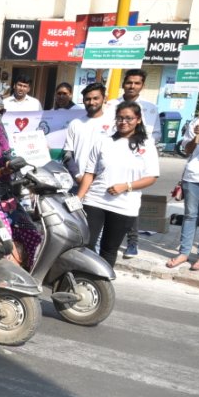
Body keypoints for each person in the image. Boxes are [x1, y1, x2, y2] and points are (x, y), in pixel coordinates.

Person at [76, 102, 159, 268]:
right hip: (95, 200)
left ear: (138, 120)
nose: (123, 122)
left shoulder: (147, 145)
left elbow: (151, 177)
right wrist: (78, 198)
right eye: (120, 118)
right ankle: (83, 278)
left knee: (109, 248)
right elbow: (89, 173)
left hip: (124, 206)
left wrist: (126, 186)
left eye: (129, 118)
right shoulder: (103, 142)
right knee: (86, 244)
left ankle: (100, 285)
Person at [0, 93, 42, 265]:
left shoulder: (1, 130)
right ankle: (0, 276)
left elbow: (7, 154)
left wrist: (15, 164)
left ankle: (26, 271)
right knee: (5, 237)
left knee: (32, 233)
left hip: (6, 190)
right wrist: (4, 170)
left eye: (1, 111)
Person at [107, 69, 161, 258]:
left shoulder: (150, 108)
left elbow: (156, 135)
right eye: (129, 82)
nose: (132, 86)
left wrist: (142, 148)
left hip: (138, 157)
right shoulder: (111, 105)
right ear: (124, 83)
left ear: (142, 85)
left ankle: (132, 243)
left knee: (131, 201)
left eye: (137, 83)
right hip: (113, 155)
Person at [166, 93, 199, 271]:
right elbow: (187, 150)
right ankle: (184, 253)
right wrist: (196, 138)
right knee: (190, 216)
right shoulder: (198, 121)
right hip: (193, 175)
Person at [62, 83, 113, 180]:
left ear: (104, 99)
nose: (91, 102)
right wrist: (77, 176)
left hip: (103, 183)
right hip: (78, 182)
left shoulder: (113, 123)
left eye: (95, 98)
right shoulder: (75, 123)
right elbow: (67, 155)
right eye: (88, 99)